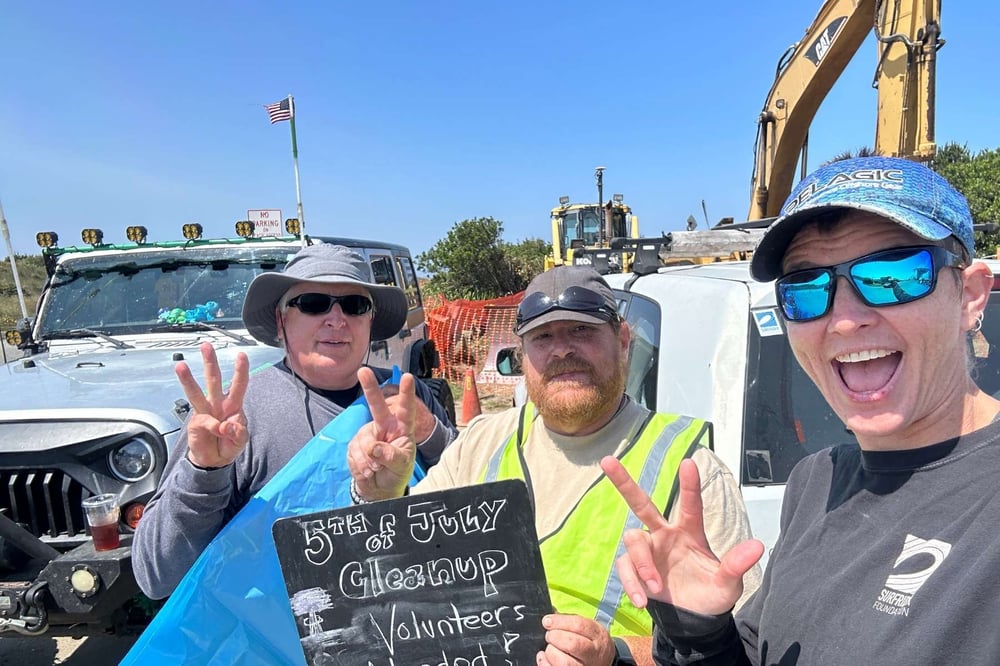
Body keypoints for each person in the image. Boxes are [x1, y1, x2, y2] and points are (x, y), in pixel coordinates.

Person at [604, 155, 1000, 664]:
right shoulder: (817, 480)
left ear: (969, 295)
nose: (844, 319)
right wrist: (699, 634)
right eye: (808, 289)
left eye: (893, 275)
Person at [348, 265, 761, 666]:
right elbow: (397, 584)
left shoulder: (692, 471)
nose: (562, 349)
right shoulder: (482, 442)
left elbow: (737, 645)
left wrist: (615, 654)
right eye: (542, 337)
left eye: (582, 330)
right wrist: (380, 494)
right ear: (522, 357)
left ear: (622, 340)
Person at [133, 243, 458, 600]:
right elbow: (156, 576)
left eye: (354, 305)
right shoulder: (235, 415)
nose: (337, 320)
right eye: (313, 303)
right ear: (280, 319)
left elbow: (472, 508)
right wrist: (204, 471)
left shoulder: (411, 397)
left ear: (370, 320)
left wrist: (431, 434)